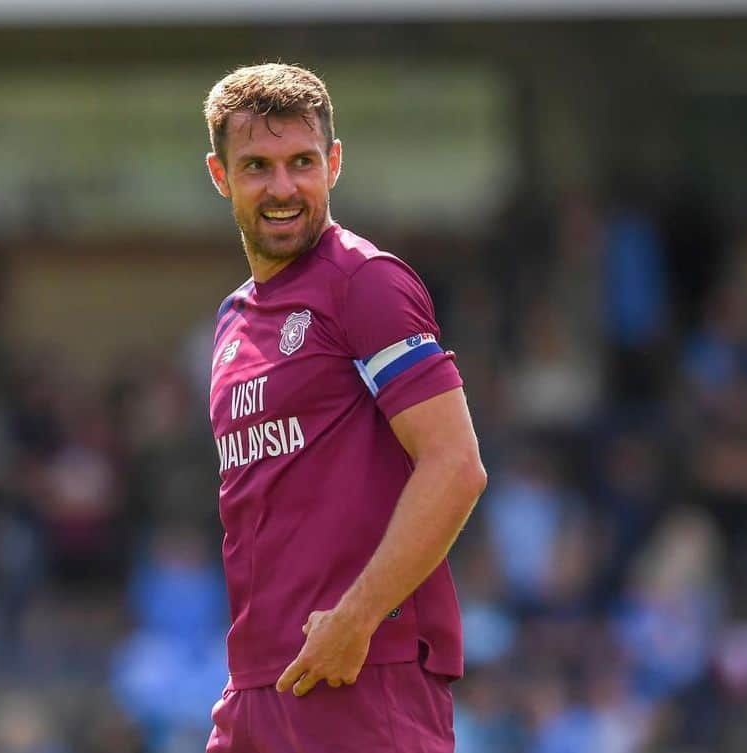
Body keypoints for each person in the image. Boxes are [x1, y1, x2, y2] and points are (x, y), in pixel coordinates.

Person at [202, 63, 487, 752]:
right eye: (257, 166)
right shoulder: (233, 321)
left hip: (363, 676)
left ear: (333, 163)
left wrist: (357, 619)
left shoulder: (364, 283)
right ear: (220, 175)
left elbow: (455, 465)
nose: (282, 188)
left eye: (301, 162)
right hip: (258, 688)